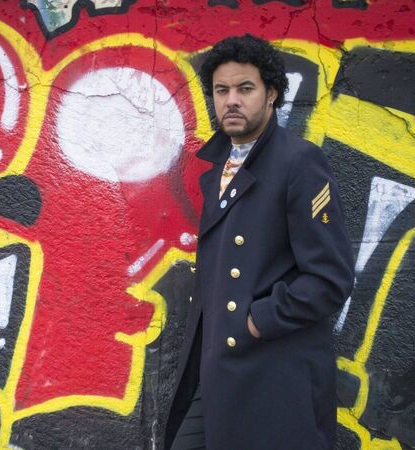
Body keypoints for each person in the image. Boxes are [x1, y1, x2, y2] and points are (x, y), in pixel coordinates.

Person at [165, 35, 355, 449]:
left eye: (245, 88)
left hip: (271, 371)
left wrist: (259, 320)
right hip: (218, 368)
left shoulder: (298, 162)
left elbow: (331, 277)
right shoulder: (218, 167)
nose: (231, 101)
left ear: (271, 94)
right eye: (221, 90)